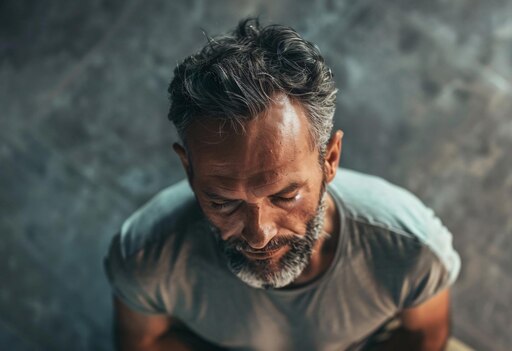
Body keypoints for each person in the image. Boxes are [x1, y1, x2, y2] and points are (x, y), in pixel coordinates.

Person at [103, 17, 461, 351]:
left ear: (331, 159)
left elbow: (425, 336)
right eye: (224, 202)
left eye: (285, 195)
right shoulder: (145, 256)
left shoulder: (411, 249)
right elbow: (144, 343)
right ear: (188, 168)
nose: (259, 235)